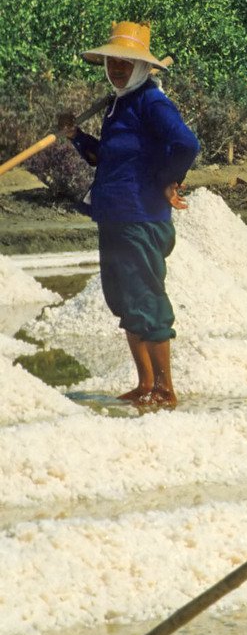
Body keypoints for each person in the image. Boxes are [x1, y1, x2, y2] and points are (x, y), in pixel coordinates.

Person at [58, 21, 200, 409]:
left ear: (141, 67)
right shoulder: (121, 102)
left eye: (126, 63)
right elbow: (109, 157)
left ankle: (166, 390)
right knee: (125, 301)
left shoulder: (150, 102)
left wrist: (167, 180)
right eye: (112, 62)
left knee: (148, 302)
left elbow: (186, 144)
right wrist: (77, 138)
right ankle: (145, 384)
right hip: (115, 215)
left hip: (141, 218)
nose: (118, 69)